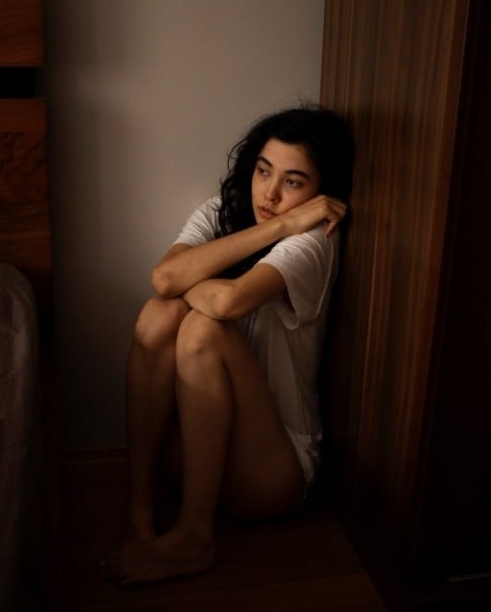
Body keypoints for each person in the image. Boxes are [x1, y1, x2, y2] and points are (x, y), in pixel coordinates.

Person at [100, 104, 355, 586]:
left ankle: (194, 537)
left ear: (321, 192)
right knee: (159, 314)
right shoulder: (225, 209)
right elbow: (163, 280)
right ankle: (140, 505)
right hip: (197, 454)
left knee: (203, 328)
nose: (270, 194)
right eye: (264, 171)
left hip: (273, 471)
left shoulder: (316, 241)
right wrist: (277, 225)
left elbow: (226, 302)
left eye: (293, 182)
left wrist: (192, 279)